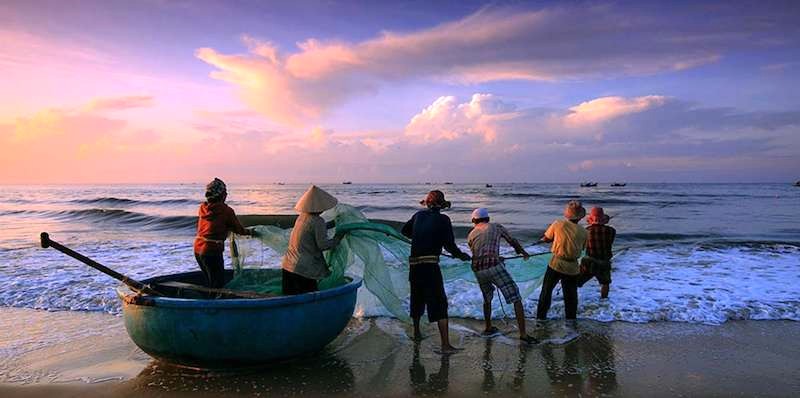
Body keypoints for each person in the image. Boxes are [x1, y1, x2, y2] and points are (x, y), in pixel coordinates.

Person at [402, 190, 471, 353]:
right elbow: (450, 245)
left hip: (414, 266)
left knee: (417, 298)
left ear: (427, 203)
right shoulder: (444, 219)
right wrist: (462, 256)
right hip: (430, 266)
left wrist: (420, 236)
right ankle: (445, 345)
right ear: (442, 205)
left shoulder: (418, 215)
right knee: (439, 303)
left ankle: (417, 333)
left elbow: (405, 231)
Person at [467, 208, 537, 343]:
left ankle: (488, 327)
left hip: (477, 269)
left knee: (487, 298)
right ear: (488, 219)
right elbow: (512, 241)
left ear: (473, 221)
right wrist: (522, 252)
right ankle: (523, 334)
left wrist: (496, 257)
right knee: (516, 297)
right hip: (493, 266)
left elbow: (479, 253)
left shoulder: (471, 234)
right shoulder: (496, 227)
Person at [281, 185, 342, 295]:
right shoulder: (318, 221)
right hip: (304, 271)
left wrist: (331, 224)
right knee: (309, 299)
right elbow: (323, 245)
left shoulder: (301, 217)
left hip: (288, 266)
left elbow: (311, 230)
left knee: (289, 301)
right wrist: (338, 238)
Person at [194, 178, 253, 288]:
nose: (226, 195)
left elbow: (215, 224)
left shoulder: (202, 208)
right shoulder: (226, 211)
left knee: (210, 280)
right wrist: (252, 232)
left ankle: (209, 299)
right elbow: (239, 230)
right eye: (225, 192)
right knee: (218, 284)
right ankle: (214, 303)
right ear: (222, 195)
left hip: (197, 249)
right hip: (211, 251)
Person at [536, 200, 587, 320]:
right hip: (572, 267)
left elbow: (547, 238)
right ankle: (571, 321)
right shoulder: (585, 232)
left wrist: (542, 240)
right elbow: (583, 247)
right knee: (571, 297)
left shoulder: (558, 224)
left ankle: (540, 318)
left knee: (546, 292)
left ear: (567, 214)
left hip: (556, 264)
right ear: (580, 218)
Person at [577, 207, 616, 299]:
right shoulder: (611, 231)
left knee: (576, 282)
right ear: (604, 220)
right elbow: (610, 242)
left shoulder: (585, 231)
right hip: (604, 262)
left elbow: (582, 246)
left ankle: (572, 299)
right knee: (605, 283)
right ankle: (603, 301)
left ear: (590, 220)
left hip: (589, 262)